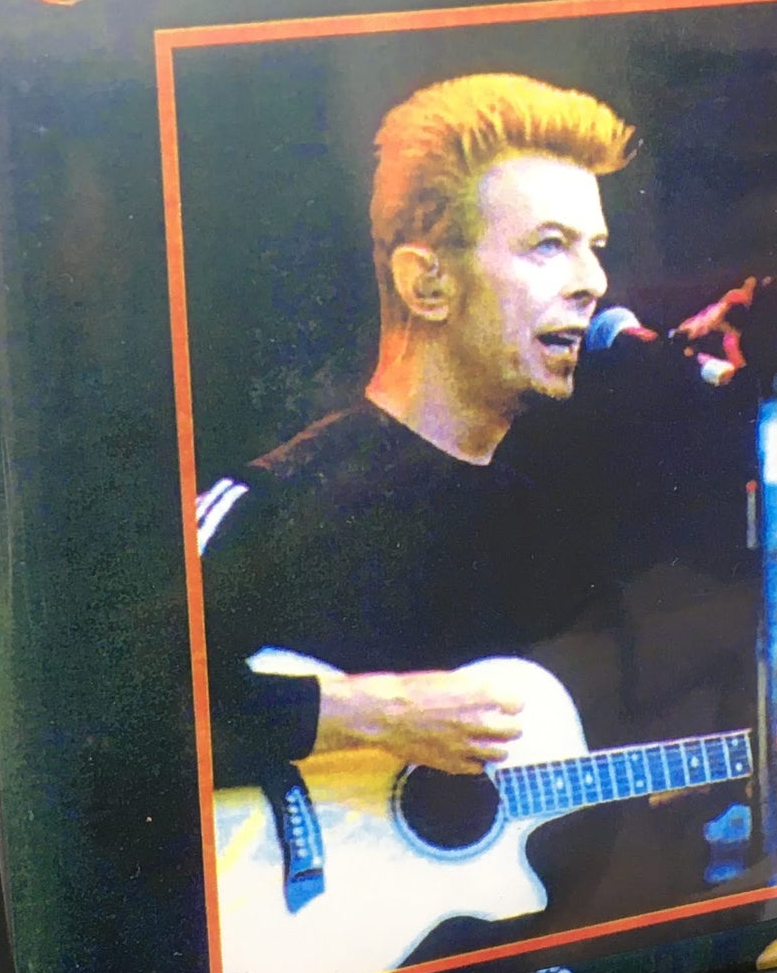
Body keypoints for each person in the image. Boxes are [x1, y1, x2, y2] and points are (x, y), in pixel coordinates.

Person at [196, 73, 639, 789]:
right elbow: (105, 710)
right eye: (549, 245)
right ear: (427, 284)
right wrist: (376, 714)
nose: (594, 281)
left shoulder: (550, 525)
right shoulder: (276, 503)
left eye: (596, 245)